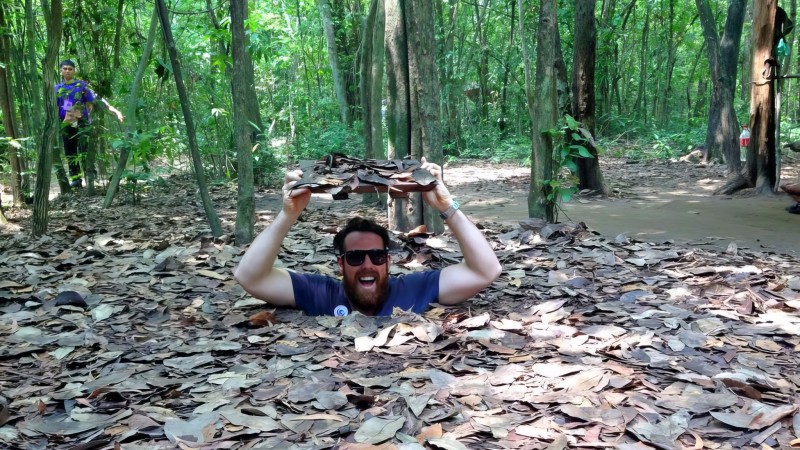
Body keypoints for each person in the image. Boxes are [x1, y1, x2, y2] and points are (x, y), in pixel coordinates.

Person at [234, 158, 503, 317]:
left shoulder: (412, 289)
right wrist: (288, 215)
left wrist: (446, 206)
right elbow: (251, 276)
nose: (367, 264)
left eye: (376, 256)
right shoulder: (323, 294)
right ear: (340, 264)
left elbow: (485, 271)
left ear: (387, 262)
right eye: (355, 257)